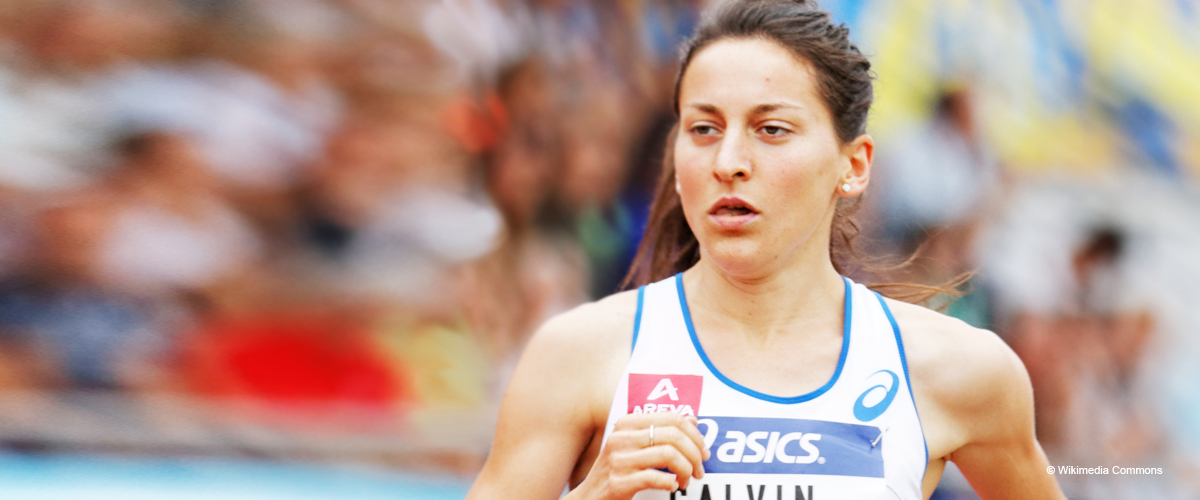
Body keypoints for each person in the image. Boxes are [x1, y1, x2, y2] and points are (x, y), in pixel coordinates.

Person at [466, 1, 1065, 498]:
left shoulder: (958, 370)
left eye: (771, 129)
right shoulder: (579, 354)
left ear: (853, 166)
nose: (728, 163)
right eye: (703, 129)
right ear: (675, 163)